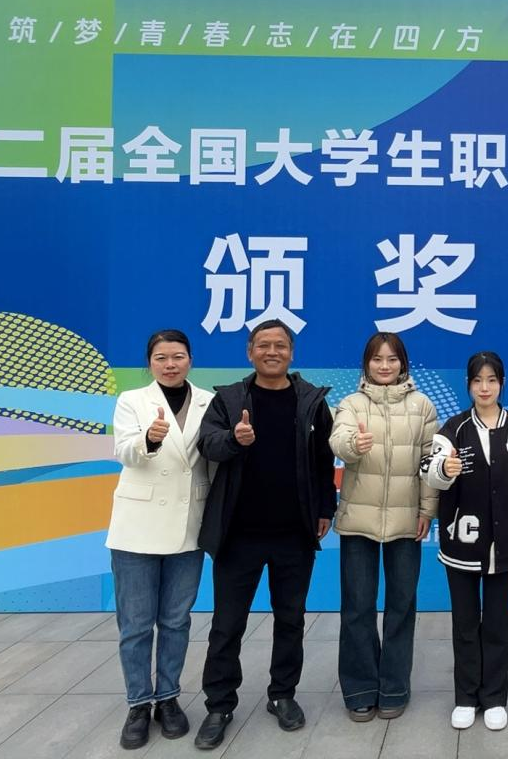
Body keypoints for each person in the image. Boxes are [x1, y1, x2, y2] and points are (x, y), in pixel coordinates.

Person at [193, 319, 336, 750]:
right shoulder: (228, 399)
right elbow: (207, 445)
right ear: (249, 352)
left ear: (291, 352)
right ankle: (219, 704)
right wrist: (234, 439)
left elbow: (324, 461)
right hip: (239, 534)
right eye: (263, 345)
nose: (272, 352)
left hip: (294, 533)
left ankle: (282, 695)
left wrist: (325, 509)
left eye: (280, 345)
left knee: (290, 620)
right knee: (227, 625)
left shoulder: (311, 400)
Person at [108, 330, 213, 750]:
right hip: (137, 527)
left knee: (176, 620)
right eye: (161, 357)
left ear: (190, 359)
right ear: (149, 362)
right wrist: (148, 439)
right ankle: (138, 703)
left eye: (178, 356)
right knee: (135, 625)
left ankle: (168, 697)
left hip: (189, 524)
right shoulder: (131, 401)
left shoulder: (209, 401)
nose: (170, 364)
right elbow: (123, 451)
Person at [421, 351, 508, 732]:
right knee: (465, 623)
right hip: (461, 543)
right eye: (477, 380)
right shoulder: (453, 429)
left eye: (492, 380)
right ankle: (466, 697)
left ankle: (495, 697)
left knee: (498, 622)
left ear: (502, 383)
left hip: (507, 543)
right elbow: (429, 472)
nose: (485, 388)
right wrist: (444, 469)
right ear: (468, 385)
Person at [331, 332, 439, 721]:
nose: (384, 366)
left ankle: (394, 687)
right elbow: (338, 439)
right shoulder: (351, 403)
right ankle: (360, 688)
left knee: (401, 606)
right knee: (357, 607)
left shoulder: (422, 406)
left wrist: (427, 509)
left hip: (406, 520)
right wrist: (352, 446)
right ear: (366, 364)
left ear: (403, 364)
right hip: (359, 521)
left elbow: (430, 461)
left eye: (392, 359)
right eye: (377, 359)